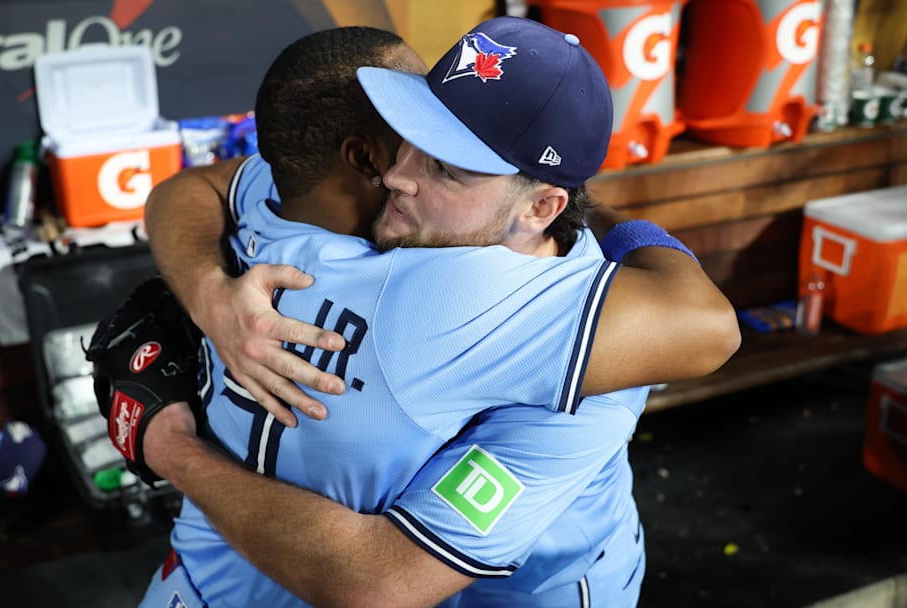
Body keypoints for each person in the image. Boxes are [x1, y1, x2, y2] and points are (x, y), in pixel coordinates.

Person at [134, 19, 739, 608]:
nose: (396, 176)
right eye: (411, 135)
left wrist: (173, 443)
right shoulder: (368, 231)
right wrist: (211, 296)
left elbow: (712, 330)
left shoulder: (497, 306)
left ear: (541, 207)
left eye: (446, 167)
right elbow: (191, 189)